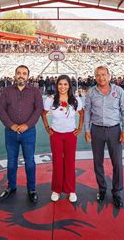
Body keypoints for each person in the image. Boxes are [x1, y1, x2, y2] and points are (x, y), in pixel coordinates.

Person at [84, 66, 124, 208]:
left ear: (109, 75)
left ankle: (116, 192)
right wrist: (87, 130)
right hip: (96, 130)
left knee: (117, 163)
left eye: (104, 74)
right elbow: (87, 112)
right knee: (98, 162)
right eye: (98, 75)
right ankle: (102, 189)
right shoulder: (91, 92)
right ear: (95, 77)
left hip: (115, 130)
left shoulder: (118, 91)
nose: (101, 77)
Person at [0, 65, 43, 203]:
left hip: (28, 132)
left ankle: (32, 189)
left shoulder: (35, 92)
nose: (21, 75)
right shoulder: (6, 91)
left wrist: (26, 125)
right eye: (19, 73)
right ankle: (11, 187)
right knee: (11, 162)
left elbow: (38, 110)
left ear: (28, 76)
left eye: (24, 73)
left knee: (29, 161)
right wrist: (12, 125)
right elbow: (1, 110)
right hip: (10, 132)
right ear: (15, 75)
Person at [41, 75, 84, 203]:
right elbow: (43, 114)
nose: (62, 87)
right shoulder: (50, 99)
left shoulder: (75, 99)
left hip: (71, 135)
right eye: (60, 84)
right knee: (57, 162)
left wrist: (80, 128)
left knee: (70, 162)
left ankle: (71, 190)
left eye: (65, 84)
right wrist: (47, 127)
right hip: (56, 135)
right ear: (56, 85)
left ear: (69, 86)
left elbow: (82, 113)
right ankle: (56, 189)